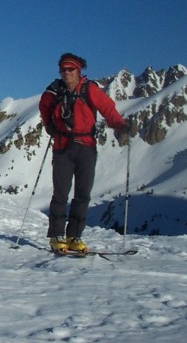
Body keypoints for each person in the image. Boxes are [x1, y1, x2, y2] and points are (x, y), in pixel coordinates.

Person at [38, 52, 127, 254]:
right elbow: (43, 107)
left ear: (78, 71)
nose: (66, 72)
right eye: (63, 69)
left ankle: (74, 236)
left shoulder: (90, 89)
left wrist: (120, 125)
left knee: (82, 194)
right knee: (60, 194)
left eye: (70, 69)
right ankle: (57, 236)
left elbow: (107, 108)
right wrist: (48, 125)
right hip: (63, 147)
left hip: (86, 146)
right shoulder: (53, 92)